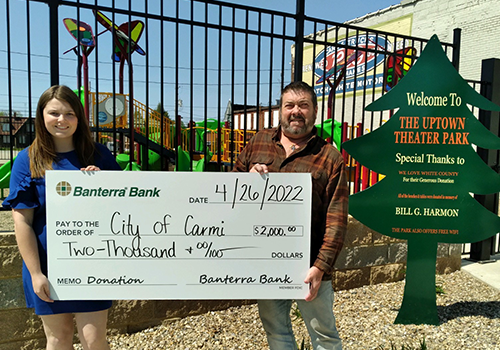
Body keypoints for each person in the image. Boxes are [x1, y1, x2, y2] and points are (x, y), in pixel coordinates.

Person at [3, 85, 121, 350]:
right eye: (54, 113)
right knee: (58, 338)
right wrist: (36, 273)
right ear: (41, 116)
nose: (62, 120)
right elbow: (22, 221)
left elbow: (121, 209)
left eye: (69, 114)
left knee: (95, 339)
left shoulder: (100, 155)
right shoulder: (28, 160)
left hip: (93, 262)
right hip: (48, 266)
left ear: (79, 118)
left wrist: (101, 186)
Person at [233, 81, 348, 350]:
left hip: (310, 266)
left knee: (325, 337)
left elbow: (337, 220)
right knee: (277, 332)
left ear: (315, 112)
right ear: (281, 110)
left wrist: (321, 267)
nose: (296, 111)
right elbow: (230, 189)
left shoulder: (330, 158)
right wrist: (247, 181)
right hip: (267, 263)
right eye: (290, 105)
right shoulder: (258, 141)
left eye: (303, 105)